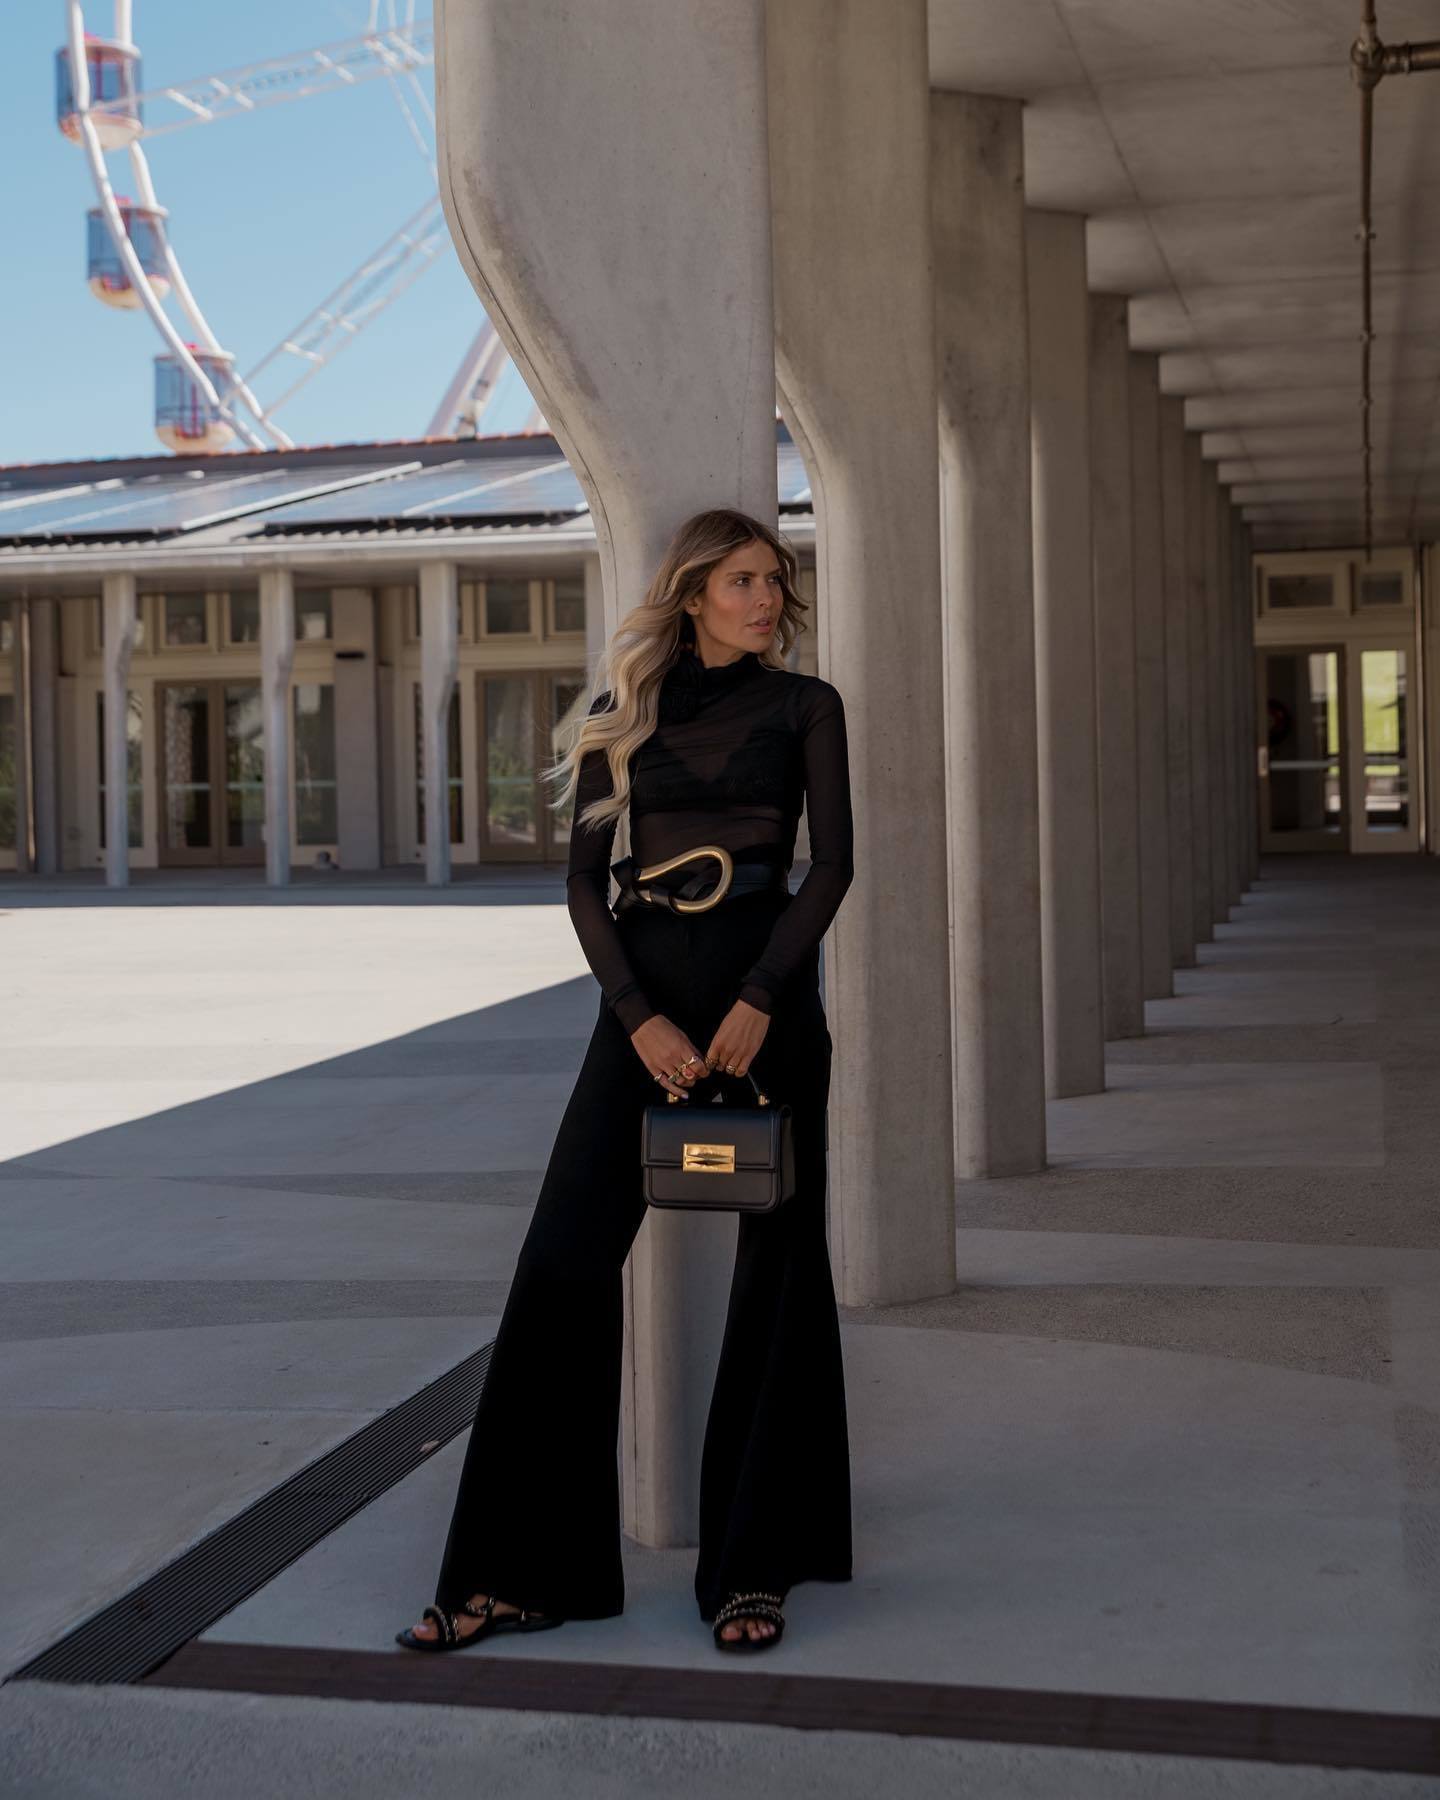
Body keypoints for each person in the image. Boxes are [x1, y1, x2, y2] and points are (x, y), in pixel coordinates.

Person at [396, 507, 855, 1655]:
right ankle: (515, 1575)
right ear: (693, 592)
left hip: (765, 1007)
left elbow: (832, 865)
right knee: (562, 1261)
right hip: (642, 1009)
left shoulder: (807, 706)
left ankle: (754, 1569)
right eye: (743, 580)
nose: (766, 599)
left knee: (780, 1272)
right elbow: (582, 884)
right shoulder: (623, 710)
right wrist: (638, 1017)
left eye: (774, 580)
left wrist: (761, 995)